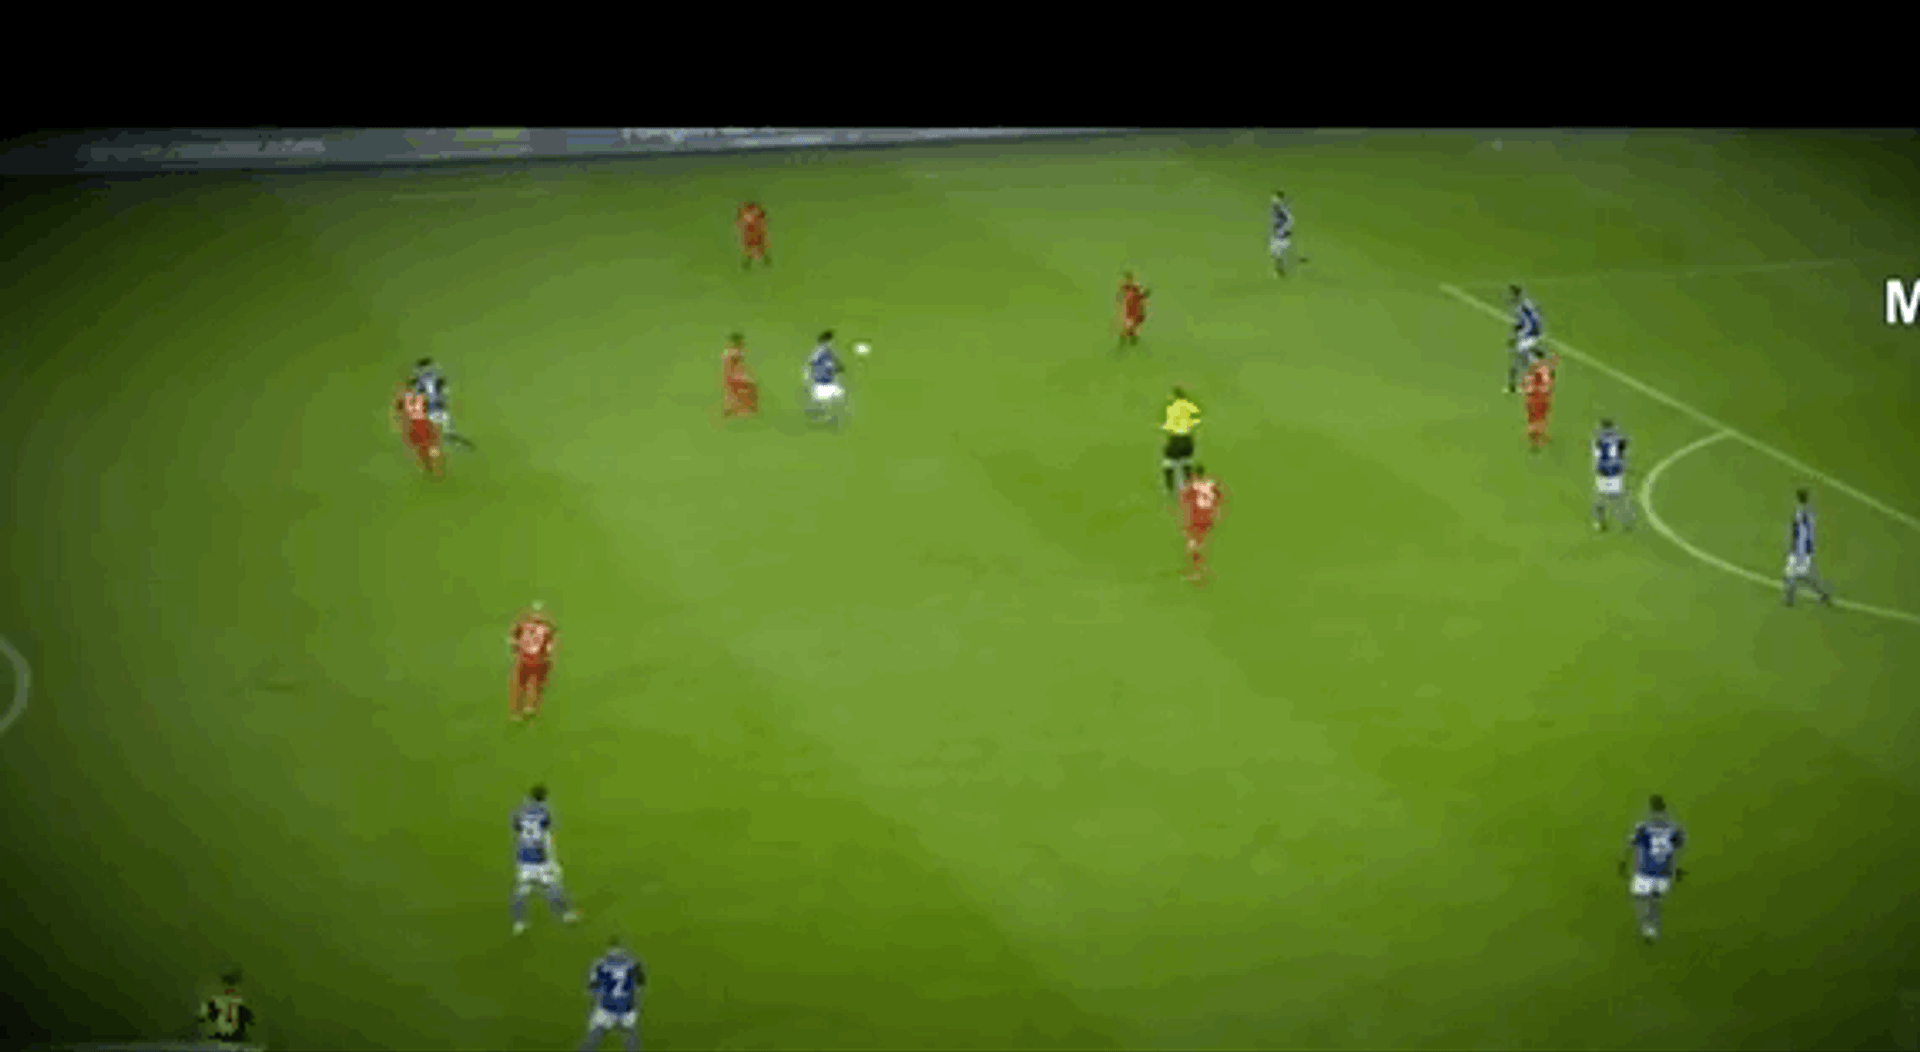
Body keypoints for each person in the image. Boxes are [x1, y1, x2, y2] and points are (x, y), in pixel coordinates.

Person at [512, 784, 581, 935]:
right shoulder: (544, 812)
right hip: (539, 859)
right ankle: (566, 915)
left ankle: (519, 923)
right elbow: (546, 836)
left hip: (523, 858)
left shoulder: (520, 811)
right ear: (544, 797)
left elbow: (517, 828)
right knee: (552, 887)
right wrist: (553, 860)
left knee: (521, 891)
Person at [1619, 794, 1686, 943]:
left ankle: (1649, 928)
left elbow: (1631, 844)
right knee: (1654, 899)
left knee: (1641, 898)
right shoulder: (1672, 827)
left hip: (1645, 872)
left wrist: (1623, 862)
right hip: (1664, 874)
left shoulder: (1643, 827)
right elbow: (1678, 848)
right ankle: (1653, 921)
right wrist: (1678, 868)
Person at [580, 935, 647, 1051]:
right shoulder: (633, 964)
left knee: (593, 1040)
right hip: (625, 1009)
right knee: (630, 1041)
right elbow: (640, 984)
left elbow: (592, 988)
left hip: (606, 1009)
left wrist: (594, 1004)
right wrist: (636, 1006)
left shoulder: (600, 965)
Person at [1783, 488, 1836, 607]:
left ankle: (1792, 599)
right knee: (1797, 575)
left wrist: (1797, 547)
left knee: (1798, 576)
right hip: (1802, 550)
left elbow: (1800, 533)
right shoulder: (1806, 512)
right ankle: (1790, 599)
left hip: (1800, 551)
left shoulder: (1801, 513)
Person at [1178, 464, 1225, 584]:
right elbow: (1219, 497)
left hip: (1196, 518)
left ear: (1195, 474)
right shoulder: (1211, 484)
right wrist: (1215, 511)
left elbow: (1184, 498)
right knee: (1198, 543)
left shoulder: (1193, 486)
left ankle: (1197, 572)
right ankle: (1201, 570)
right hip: (1208, 517)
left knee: (1192, 545)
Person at [509, 602, 556, 721]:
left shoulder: (522, 625)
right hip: (537, 660)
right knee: (535, 684)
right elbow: (549, 647)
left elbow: (513, 639)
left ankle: (517, 712)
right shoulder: (546, 629)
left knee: (520, 685)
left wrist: (514, 651)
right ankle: (529, 707)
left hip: (523, 658)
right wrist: (548, 659)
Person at [393, 383, 443, 477]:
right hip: (422, 424)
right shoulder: (422, 396)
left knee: (423, 448)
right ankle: (434, 466)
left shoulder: (404, 398)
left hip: (414, 425)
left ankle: (430, 466)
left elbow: (399, 409)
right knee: (429, 446)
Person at [197, 968, 255, 1045]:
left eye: (233, 984)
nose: (230, 988)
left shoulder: (240, 1003)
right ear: (223, 984)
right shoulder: (216, 1001)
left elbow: (250, 1020)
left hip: (237, 1037)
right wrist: (203, 1012)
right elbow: (203, 1014)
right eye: (227, 983)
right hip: (220, 1036)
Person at [1160, 386, 1201, 494]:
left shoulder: (1172, 408)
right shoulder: (1188, 405)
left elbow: (1169, 425)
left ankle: (1169, 487)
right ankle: (1189, 486)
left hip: (1176, 438)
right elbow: (1197, 415)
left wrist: (1165, 427)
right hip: (1187, 439)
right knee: (1186, 462)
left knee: (1168, 463)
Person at [1507, 285, 1544, 393]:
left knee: (1519, 360)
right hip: (1529, 335)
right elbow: (1521, 323)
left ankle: (1513, 385)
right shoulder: (1523, 306)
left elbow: (1526, 322)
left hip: (1530, 335)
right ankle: (1512, 385)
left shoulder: (1524, 306)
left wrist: (1514, 336)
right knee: (1522, 358)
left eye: (1513, 294)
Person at [722, 334, 758, 418]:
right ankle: (751, 407)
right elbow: (735, 367)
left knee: (735, 392)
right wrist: (746, 377)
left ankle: (731, 408)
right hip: (734, 377)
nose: (742, 343)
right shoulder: (734, 353)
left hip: (729, 377)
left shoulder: (728, 352)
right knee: (751, 387)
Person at [1117, 272, 1150, 347]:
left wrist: (1145, 294)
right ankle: (1130, 341)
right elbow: (1140, 297)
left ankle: (1127, 341)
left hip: (1135, 312)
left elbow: (1140, 297)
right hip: (1131, 311)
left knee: (1129, 327)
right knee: (1129, 327)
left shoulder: (1134, 289)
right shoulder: (1128, 289)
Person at [736, 201, 769, 268]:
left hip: (755, 233)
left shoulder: (753, 215)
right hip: (751, 234)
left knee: (758, 247)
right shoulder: (748, 215)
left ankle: (764, 259)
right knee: (754, 247)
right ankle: (763, 259)